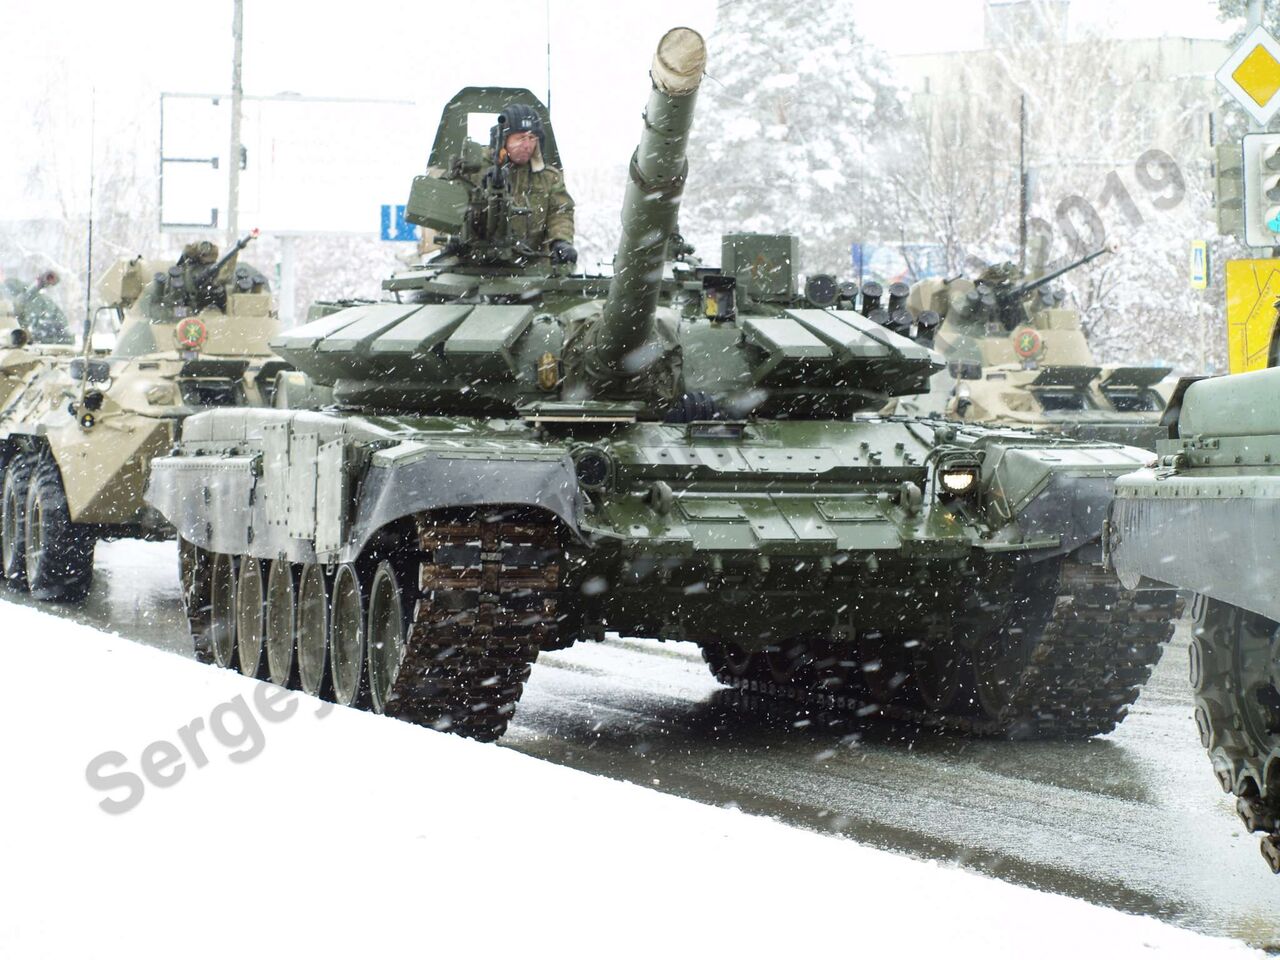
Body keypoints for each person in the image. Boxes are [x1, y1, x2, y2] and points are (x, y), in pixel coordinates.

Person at [490, 103, 577, 264]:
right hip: (478, 266)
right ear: (504, 140)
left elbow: (560, 211)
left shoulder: (549, 177)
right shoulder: (477, 170)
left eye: (532, 138)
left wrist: (560, 240)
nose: (527, 145)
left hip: (532, 266)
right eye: (520, 138)